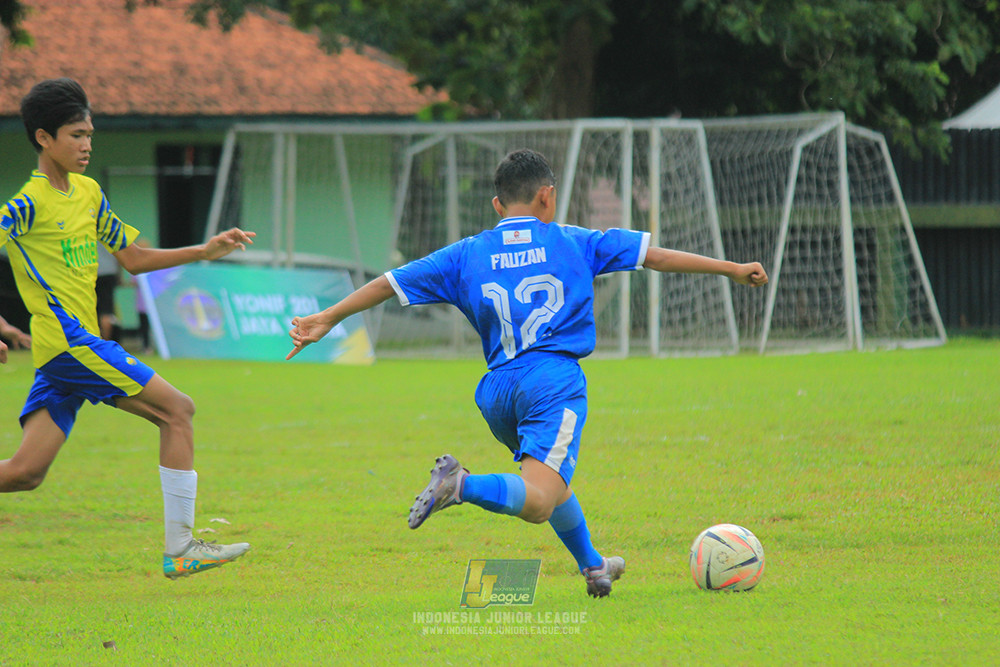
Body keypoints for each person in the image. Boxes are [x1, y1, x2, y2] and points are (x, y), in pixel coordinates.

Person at [286, 148, 768, 597]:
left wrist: (329, 317)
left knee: (550, 481)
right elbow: (656, 258)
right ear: (547, 196)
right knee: (539, 499)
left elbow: (389, 283)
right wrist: (730, 268)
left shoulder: (465, 254)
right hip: (551, 381)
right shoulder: (575, 241)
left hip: (496, 391)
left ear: (498, 204)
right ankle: (460, 484)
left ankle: (594, 566)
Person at [0, 78, 255, 579]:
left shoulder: (89, 193)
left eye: (90, 134)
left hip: (66, 356)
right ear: (43, 138)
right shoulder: (25, 205)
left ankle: (182, 548)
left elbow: (133, 258)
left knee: (26, 474)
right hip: (70, 345)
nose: (87, 145)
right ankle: (181, 549)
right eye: (76, 135)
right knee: (178, 410)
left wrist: (203, 250)